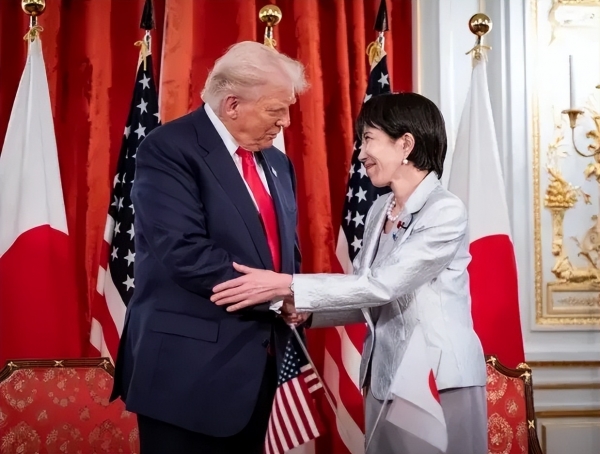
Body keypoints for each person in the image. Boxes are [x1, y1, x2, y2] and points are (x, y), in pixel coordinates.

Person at [211, 92, 488, 454]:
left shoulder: (445, 211)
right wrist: (309, 312)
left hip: (437, 380)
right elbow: (364, 296)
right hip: (383, 378)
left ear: (406, 144)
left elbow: (383, 286)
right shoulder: (378, 209)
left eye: (368, 139)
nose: (361, 154)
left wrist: (288, 284)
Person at [111, 41, 307, 454]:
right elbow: (184, 250)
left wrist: (296, 292)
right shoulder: (168, 148)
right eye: (276, 110)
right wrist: (280, 296)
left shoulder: (277, 162)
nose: (286, 122)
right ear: (232, 104)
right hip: (186, 373)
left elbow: (285, 249)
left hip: (259, 369)